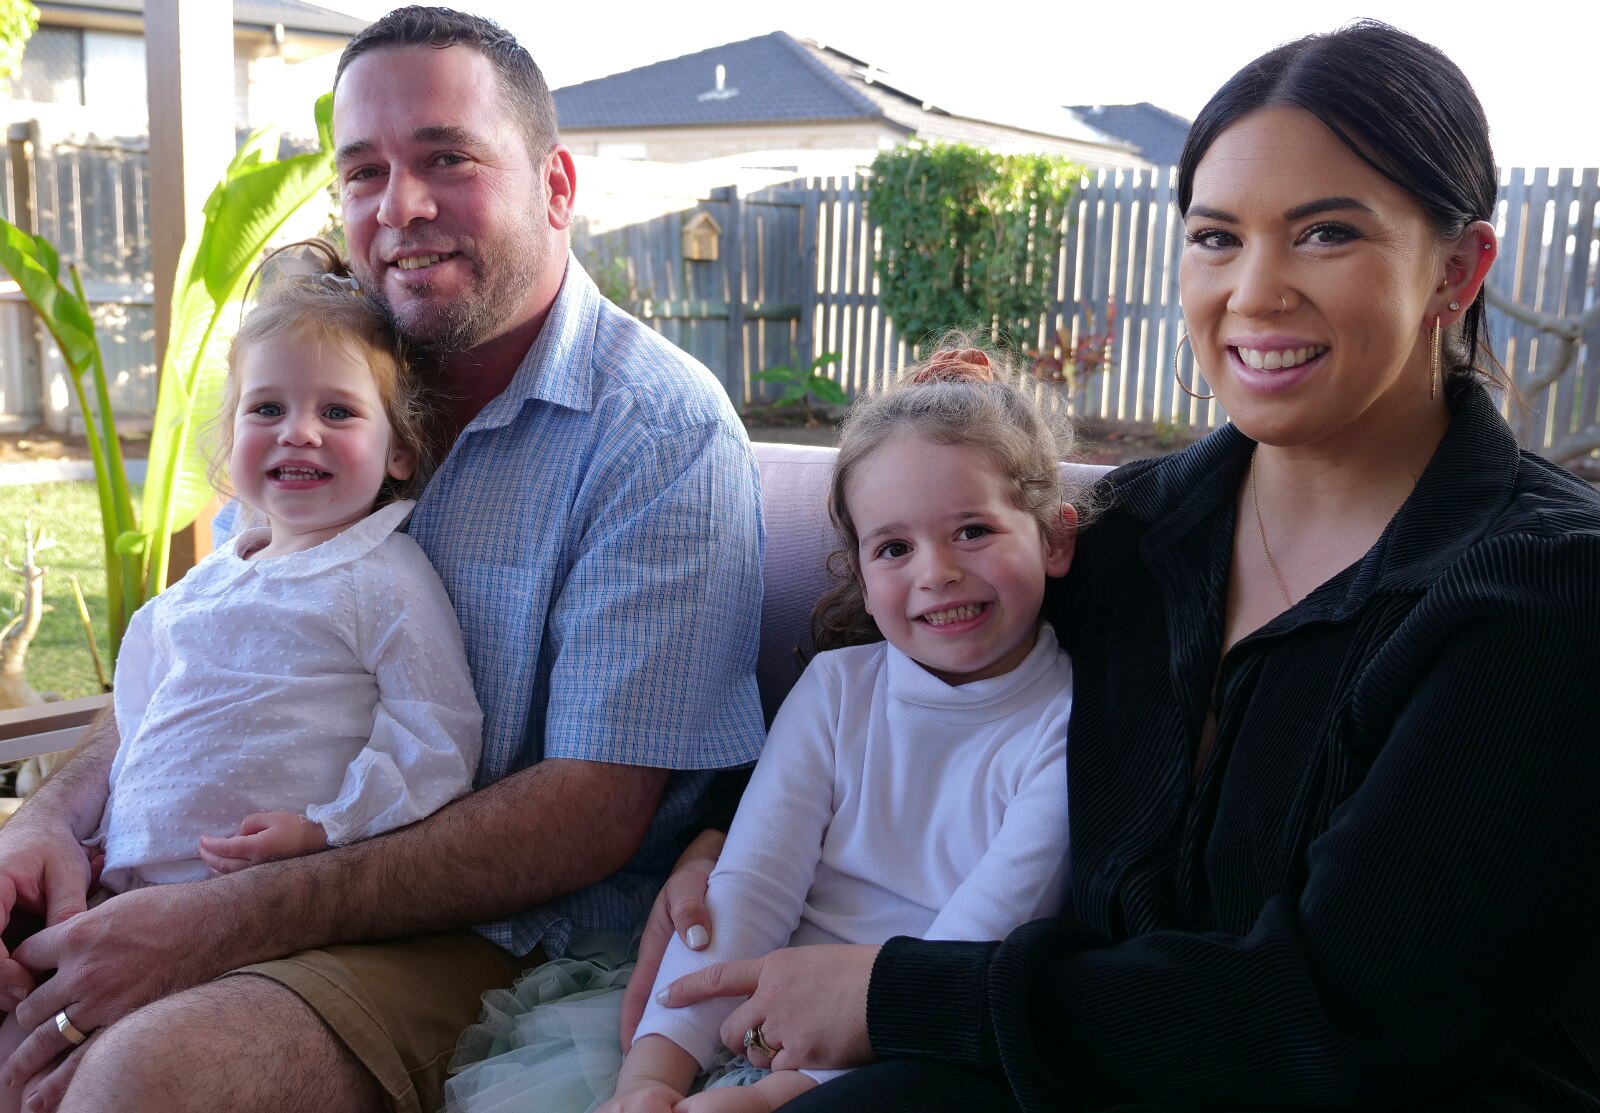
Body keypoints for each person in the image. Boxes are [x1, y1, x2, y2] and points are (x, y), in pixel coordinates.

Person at [629, 21, 1600, 1112]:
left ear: (1457, 269)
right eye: (1216, 237)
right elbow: (924, 660)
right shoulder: (1139, 531)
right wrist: (724, 832)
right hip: (1081, 1063)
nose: (1254, 290)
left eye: (1326, 233)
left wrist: (908, 998)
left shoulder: (1543, 594)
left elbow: (1347, 1012)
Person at [0, 9, 765, 1113]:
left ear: (556, 186)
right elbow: (213, 649)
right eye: (362, 172)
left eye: (445, 159)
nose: (398, 207)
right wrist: (47, 821)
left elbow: (592, 809)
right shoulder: (323, 381)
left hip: (490, 934)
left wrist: (224, 921)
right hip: (211, 875)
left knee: (141, 1080)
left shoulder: (655, 430)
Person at [444, 348, 1078, 1113]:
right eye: (894, 548)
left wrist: (783, 1095)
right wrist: (653, 1071)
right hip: (742, 1019)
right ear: (861, 573)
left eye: (972, 530)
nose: (935, 572)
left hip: (910, 1052)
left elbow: (978, 944)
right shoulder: (838, 690)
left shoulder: (1071, 723)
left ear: (1053, 536)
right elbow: (748, 886)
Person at [0, 240, 484, 1101]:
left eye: (338, 412)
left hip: (264, 924)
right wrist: (83, 831)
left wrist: (328, 827)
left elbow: (438, 732)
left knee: (106, 1076)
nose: (299, 430)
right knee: (20, 1058)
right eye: (268, 408)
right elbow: (147, 722)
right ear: (230, 442)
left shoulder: (383, 578)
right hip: (123, 893)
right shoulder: (205, 584)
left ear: (399, 451)